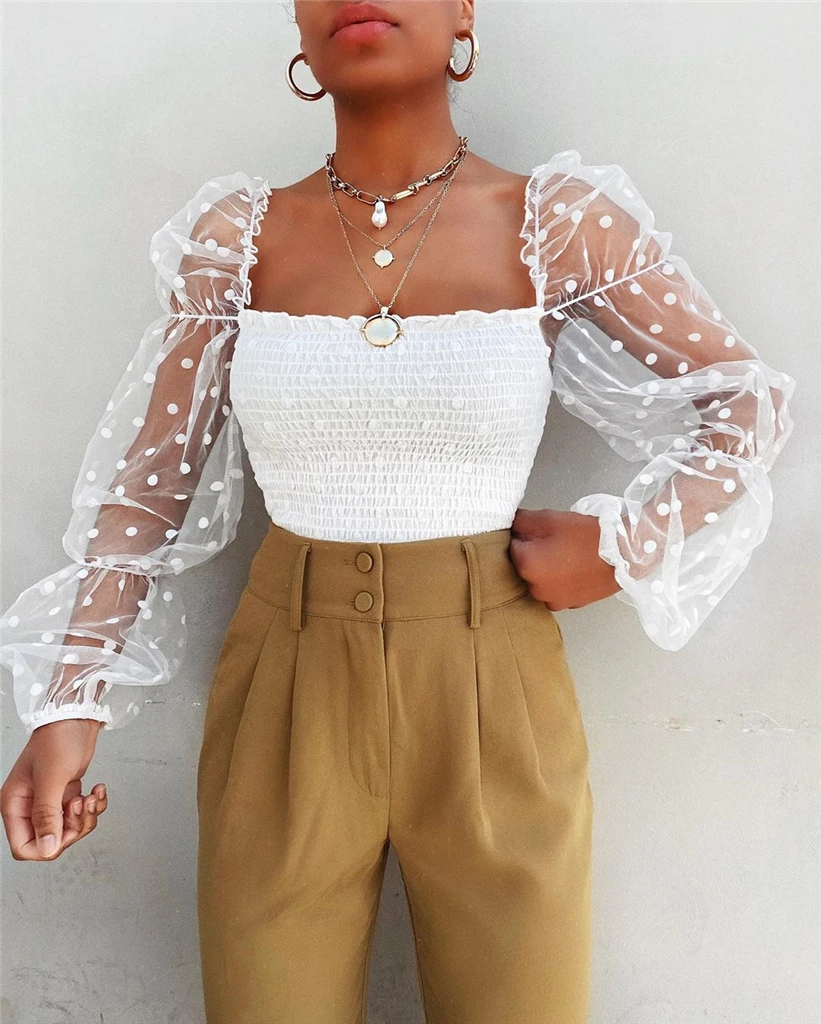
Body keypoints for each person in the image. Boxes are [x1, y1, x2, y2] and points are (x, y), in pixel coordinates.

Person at [0, 2, 796, 1022]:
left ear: (463, 11)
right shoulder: (235, 239)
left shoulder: (556, 221)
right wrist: (69, 705)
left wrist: (623, 548)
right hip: (284, 689)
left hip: (495, 685)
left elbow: (744, 401)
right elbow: (147, 489)